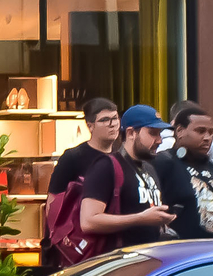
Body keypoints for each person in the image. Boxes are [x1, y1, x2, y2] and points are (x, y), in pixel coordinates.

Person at [77, 105, 180, 253]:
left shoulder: (149, 168)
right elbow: (88, 221)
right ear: (131, 133)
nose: (159, 140)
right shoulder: (106, 166)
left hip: (150, 260)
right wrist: (140, 218)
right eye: (153, 133)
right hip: (119, 264)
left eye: (160, 134)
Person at [43, 97, 123, 266]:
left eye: (115, 118)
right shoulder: (73, 158)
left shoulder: (121, 157)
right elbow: (53, 203)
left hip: (111, 244)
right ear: (90, 125)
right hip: (77, 247)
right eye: (105, 120)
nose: (113, 124)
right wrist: (58, 240)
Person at [164, 102, 213, 240]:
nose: (207, 138)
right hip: (184, 254)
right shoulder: (164, 163)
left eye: (211, 133)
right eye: (200, 131)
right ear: (179, 131)